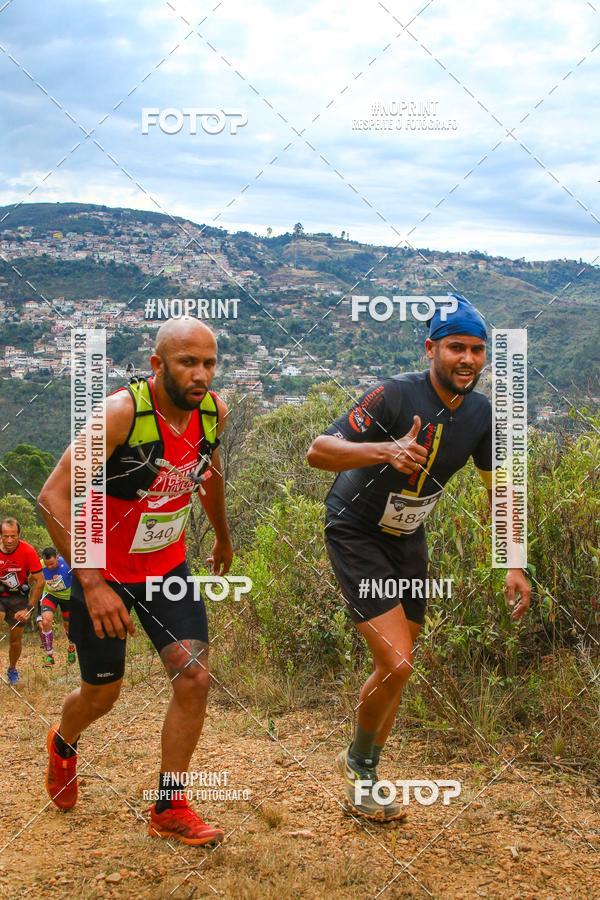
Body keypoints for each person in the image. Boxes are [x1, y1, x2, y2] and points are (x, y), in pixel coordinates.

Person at [306, 295, 531, 821]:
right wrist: (383, 450)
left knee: (399, 669)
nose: (468, 359)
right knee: (397, 660)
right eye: (456, 347)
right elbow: (319, 451)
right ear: (432, 348)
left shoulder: (480, 414)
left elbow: (501, 491)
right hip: (356, 528)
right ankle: (361, 772)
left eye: (478, 350)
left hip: (408, 538)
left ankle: (365, 765)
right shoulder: (393, 395)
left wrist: (513, 562)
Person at [38, 318, 233, 846]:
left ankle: (169, 807)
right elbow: (52, 498)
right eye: (188, 362)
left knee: (193, 677)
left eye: (209, 363)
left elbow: (206, 471)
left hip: (166, 568)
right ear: (157, 364)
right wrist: (93, 583)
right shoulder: (122, 413)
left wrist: (221, 535)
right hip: (101, 570)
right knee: (102, 694)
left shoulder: (212, 411)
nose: (201, 375)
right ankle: (64, 740)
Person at [0, 517, 45, 685]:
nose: (10, 540)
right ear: (1, 536)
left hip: (18, 598)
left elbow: (40, 581)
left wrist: (28, 609)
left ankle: (12, 668)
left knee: (15, 639)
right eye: (5, 536)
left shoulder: (28, 551)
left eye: (13, 536)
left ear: (19, 534)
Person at [38, 547, 76, 666]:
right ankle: (49, 656)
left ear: (57, 557)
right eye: (47, 564)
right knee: (45, 621)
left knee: (68, 626)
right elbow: (34, 576)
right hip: (50, 595)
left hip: (68, 597)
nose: (49, 567)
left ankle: (71, 648)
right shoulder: (40, 564)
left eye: (52, 563)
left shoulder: (67, 563)